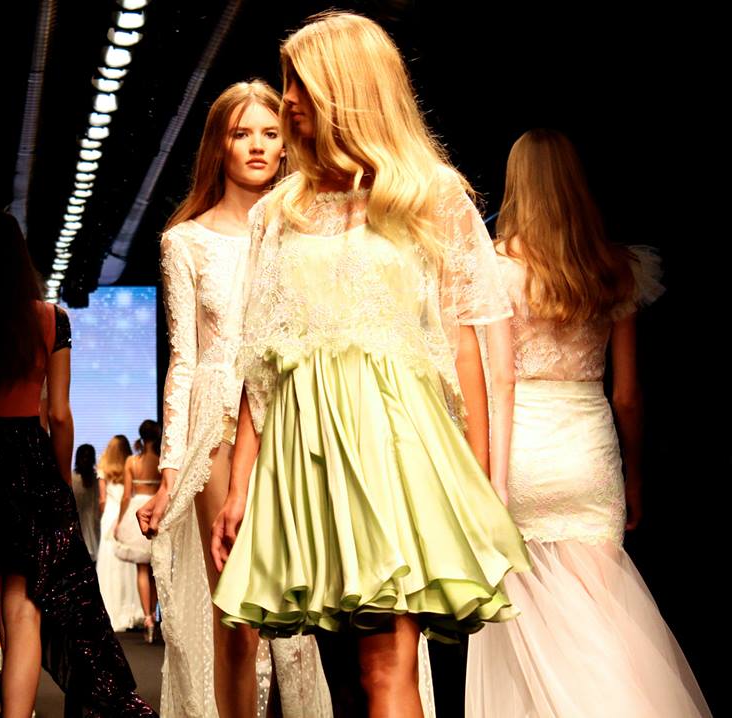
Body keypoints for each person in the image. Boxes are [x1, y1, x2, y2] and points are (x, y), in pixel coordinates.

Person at [208, 13, 531, 718]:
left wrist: (478, 481)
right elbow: (261, 360)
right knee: (345, 678)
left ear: (348, 88)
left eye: (302, 83)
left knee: (386, 665)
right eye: (289, 81)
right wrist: (240, 486)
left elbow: (465, 346)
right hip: (305, 457)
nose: (289, 99)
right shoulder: (279, 212)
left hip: (393, 449)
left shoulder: (430, 195)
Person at [464, 129, 711, 717]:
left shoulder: (495, 269)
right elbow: (627, 395)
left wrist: (485, 473)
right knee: (602, 620)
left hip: (519, 451)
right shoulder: (613, 268)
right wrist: (635, 479)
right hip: (589, 453)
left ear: (517, 183)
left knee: (522, 625)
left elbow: (495, 381)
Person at [136, 80, 331, 717]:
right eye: (241, 133)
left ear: (287, 144)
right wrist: (170, 472)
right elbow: (184, 360)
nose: (257, 146)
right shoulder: (185, 241)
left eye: (270, 133)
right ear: (218, 146)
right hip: (216, 425)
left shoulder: (307, 231)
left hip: (296, 415)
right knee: (238, 614)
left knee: (305, 613)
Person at [0, 211, 155, 717]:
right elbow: (59, 414)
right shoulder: (51, 318)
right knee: (23, 604)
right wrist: (56, 480)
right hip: (27, 460)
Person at [114, 421, 162, 642]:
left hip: (138, 510)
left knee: (142, 570)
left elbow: (126, 495)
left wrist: (119, 520)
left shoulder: (132, 461)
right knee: (156, 569)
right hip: (157, 509)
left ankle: (148, 618)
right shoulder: (161, 460)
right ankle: (154, 616)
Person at [96, 434, 145, 631]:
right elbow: (129, 495)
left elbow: (102, 500)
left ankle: (110, 610)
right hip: (124, 515)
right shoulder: (130, 466)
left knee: (109, 563)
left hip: (109, 515)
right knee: (128, 565)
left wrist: (104, 514)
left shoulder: (103, 469)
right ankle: (132, 611)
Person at [71, 443, 100, 557]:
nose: (86, 460)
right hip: (78, 521)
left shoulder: (97, 479)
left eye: (88, 457)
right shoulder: (72, 478)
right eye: (83, 457)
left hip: (94, 520)